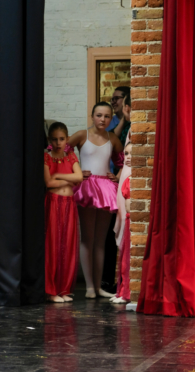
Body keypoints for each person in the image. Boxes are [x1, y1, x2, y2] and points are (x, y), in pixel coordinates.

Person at [68, 102, 123, 299]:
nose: (103, 119)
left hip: (106, 188)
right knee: (87, 238)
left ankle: (98, 287)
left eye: (107, 116)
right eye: (99, 115)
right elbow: (60, 151)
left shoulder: (112, 138)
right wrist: (75, 171)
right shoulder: (82, 135)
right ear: (92, 116)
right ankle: (89, 287)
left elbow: (123, 160)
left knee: (100, 241)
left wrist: (118, 176)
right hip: (87, 187)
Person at [44, 122, 83, 303]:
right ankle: (52, 290)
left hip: (69, 204)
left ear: (67, 139)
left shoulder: (71, 156)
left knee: (67, 245)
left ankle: (64, 289)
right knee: (53, 245)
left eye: (61, 139)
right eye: (54, 139)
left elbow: (79, 177)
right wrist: (70, 180)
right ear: (49, 140)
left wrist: (59, 176)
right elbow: (49, 183)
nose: (58, 143)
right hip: (54, 203)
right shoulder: (46, 157)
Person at [111, 142, 132, 304]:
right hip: (127, 220)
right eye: (126, 154)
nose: (129, 157)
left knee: (130, 257)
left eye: (132, 154)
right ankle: (123, 290)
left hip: (133, 222)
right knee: (124, 258)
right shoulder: (126, 178)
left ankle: (127, 293)